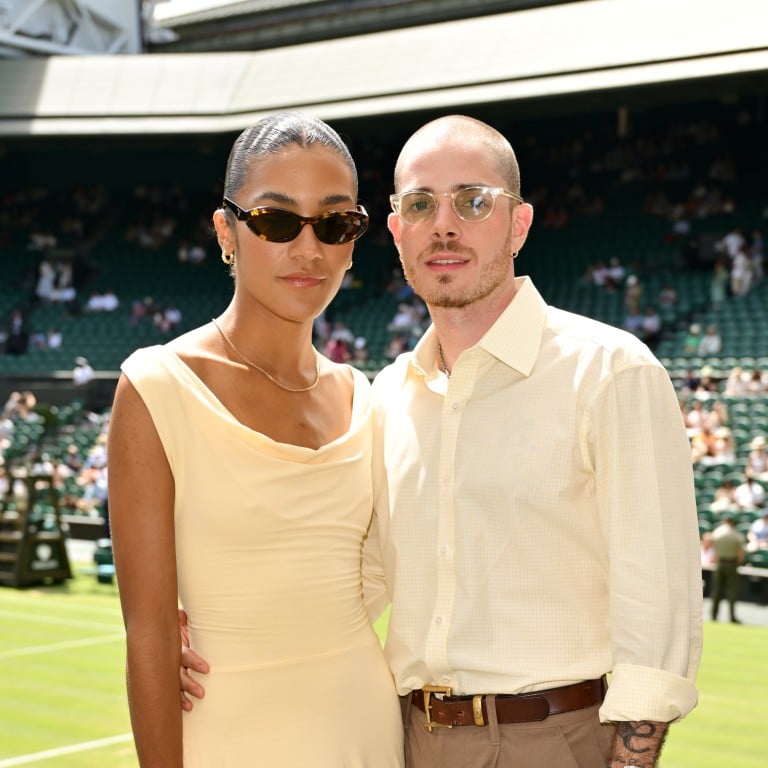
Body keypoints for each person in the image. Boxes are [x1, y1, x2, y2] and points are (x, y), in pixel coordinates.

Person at [182, 115, 702, 768]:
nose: (445, 225)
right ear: (397, 231)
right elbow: (353, 579)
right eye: (421, 204)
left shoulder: (609, 371)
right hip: (409, 739)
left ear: (519, 224)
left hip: (552, 739)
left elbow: (657, 605)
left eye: (474, 201)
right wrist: (201, 624)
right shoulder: (389, 396)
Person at [109, 112, 404, 768]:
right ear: (226, 232)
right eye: (275, 220)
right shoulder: (158, 387)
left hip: (366, 733)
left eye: (334, 223)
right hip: (226, 738)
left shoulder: (366, 399)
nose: (309, 249)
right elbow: (149, 637)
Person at [709, 516, 745, 623]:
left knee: (716, 590)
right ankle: (732, 617)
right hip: (731, 563)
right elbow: (741, 553)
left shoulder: (717, 532)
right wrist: (739, 562)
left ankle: (713, 615)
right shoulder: (735, 534)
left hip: (719, 563)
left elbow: (712, 545)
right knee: (732, 591)